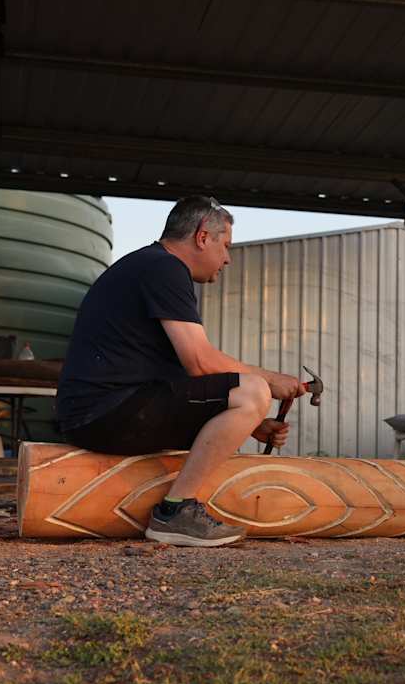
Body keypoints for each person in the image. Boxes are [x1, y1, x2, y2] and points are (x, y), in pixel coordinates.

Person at [56, 196, 305, 547]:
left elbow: (184, 383)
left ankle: (178, 509)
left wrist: (250, 421)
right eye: (226, 245)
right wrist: (268, 380)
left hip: (102, 410)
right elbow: (200, 362)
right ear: (203, 236)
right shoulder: (164, 268)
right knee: (252, 390)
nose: (228, 258)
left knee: (247, 398)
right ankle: (176, 512)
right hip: (105, 410)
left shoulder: (149, 266)